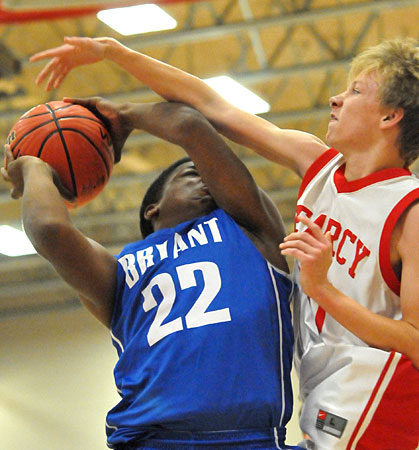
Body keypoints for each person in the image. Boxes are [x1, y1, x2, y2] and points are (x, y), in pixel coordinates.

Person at [29, 36, 419, 449]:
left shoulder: (409, 212)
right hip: (325, 389)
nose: (336, 99)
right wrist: (115, 54)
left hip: (378, 393)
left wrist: (323, 291)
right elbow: (212, 108)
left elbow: (414, 340)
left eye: (356, 91)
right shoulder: (316, 165)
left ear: (390, 116)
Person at [2, 97, 304, 450]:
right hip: (151, 440)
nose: (209, 178)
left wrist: (125, 115)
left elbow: (190, 126)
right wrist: (35, 168)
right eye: (193, 174)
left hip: (251, 439)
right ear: (152, 208)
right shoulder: (119, 271)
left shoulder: (251, 231)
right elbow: (49, 229)